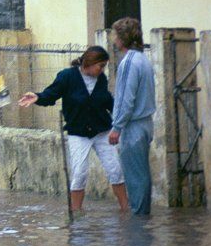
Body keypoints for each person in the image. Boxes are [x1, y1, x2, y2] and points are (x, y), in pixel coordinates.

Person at [18, 46, 128, 212]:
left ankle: (125, 210)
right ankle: (76, 213)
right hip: (78, 133)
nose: (102, 69)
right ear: (90, 63)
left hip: (102, 131)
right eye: (101, 65)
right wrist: (37, 97)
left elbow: (107, 101)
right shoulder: (67, 76)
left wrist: (121, 119)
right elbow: (51, 94)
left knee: (115, 169)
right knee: (80, 173)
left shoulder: (101, 79)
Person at [108, 18, 156, 215]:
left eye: (115, 35)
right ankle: (142, 217)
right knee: (142, 173)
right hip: (145, 123)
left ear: (122, 38)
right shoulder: (144, 59)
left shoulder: (128, 62)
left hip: (133, 126)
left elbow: (125, 99)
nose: (113, 39)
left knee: (135, 176)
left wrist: (117, 127)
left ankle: (139, 221)